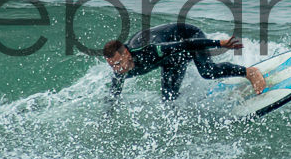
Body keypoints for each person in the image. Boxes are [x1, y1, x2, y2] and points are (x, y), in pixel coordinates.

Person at [103, 22, 266, 109]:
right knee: (169, 100)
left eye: (119, 63)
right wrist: (108, 117)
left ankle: (249, 72)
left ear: (126, 53)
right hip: (170, 60)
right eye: (112, 66)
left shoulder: (148, 49)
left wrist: (219, 43)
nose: (117, 69)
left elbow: (185, 45)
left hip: (188, 37)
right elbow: (113, 96)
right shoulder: (120, 72)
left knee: (207, 71)